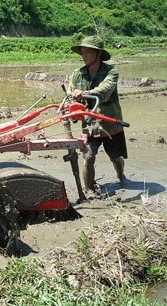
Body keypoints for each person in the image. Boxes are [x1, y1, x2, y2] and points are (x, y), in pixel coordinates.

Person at [68, 36, 127, 194]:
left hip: (110, 123)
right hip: (89, 124)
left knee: (115, 157)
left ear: (99, 53)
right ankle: (88, 190)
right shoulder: (77, 74)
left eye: (88, 52)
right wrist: (72, 106)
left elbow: (105, 90)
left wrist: (85, 93)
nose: (84, 55)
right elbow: (70, 95)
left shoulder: (111, 71)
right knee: (88, 157)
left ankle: (121, 176)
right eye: (82, 52)